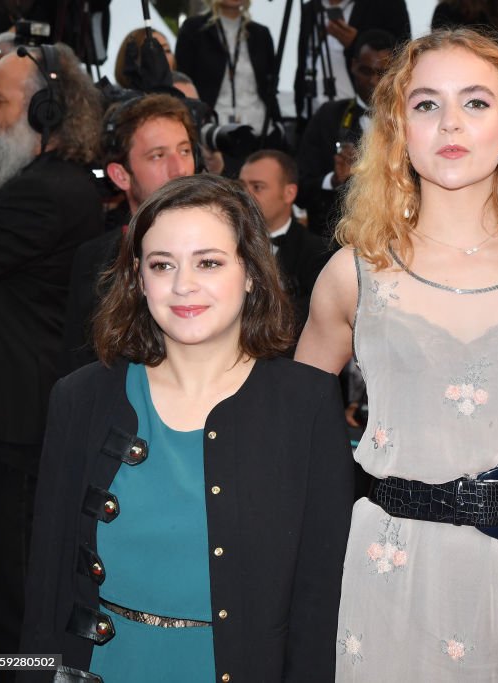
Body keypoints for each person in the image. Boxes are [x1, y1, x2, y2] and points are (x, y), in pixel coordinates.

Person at [295, 28, 498, 680]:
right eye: (427, 104)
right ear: (399, 130)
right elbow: (292, 443)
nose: (451, 123)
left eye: (477, 102)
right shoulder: (353, 274)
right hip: (388, 572)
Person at [19, 174, 353, 682]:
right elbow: (45, 587)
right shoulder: (80, 398)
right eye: (162, 265)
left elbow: (319, 601)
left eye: (209, 262)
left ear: (250, 273)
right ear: (137, 278)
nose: (182, 286)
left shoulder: (306, 404)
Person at [0, 43, 104, 675]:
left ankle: (24, 676)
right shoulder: (40, 185)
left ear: (47, 110)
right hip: (10, 418)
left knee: (15, 585)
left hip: (15, 424)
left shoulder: (47, 193)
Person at [63, 93, 198, 371]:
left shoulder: (230, 243)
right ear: (120, 175)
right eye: (158, 155)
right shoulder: (93, 259)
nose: (180, 169)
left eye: (184, 151)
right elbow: (76, 364)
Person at [296, 28, 395, 235]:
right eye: (366, 71)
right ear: (353, 66)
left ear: (397, 72)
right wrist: (333, 180)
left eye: (383, 73)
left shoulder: (410, 119)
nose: (374, 82)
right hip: (335, 238)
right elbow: (300, 187)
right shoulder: (328, 117)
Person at [239, 149, 328, 334]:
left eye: (257, 187)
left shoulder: (316, 253)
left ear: (289, 193)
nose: (245, 196)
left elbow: (312, 322)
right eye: (241, 187)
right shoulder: (224, 243)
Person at [175, 0, 280, 141]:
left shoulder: (261, 33)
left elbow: (270, 84)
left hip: (261, 129)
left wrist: (280, 126)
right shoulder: (193, 29)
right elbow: (182, 81)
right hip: (213, 132)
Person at [294, 0, 410, 120]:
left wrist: (356, 43)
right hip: (311, 117)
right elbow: (302, 65)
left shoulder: (387, 5)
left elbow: (403, 57)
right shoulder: (311, 8)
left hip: (362, 121)